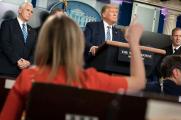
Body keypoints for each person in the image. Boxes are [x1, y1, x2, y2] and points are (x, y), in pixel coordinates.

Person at [0, 14, 145, 120]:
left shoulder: (28, 78)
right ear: (77, 44)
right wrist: (133, 41)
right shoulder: (92, 79)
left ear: (43, 43)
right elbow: (138, 82)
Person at [0, 2, 37, 77]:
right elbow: (5, 44)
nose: (30, 13)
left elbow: (35, 50)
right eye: (27, 10)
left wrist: (29, 62)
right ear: (20, 10)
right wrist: (17, 60)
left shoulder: (33, 31)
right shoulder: (7, 24)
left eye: (31, 12)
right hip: (7, 71)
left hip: (24, 73)